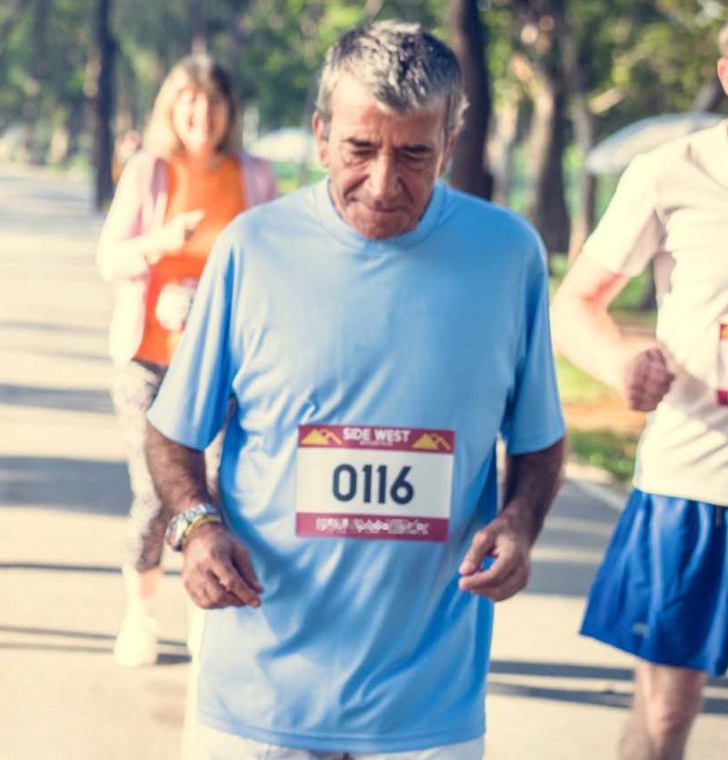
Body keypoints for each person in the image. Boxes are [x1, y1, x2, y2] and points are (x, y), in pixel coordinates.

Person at [145, 22, 567, 758]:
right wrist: (196, 527)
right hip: (257, 695)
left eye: (413, 155)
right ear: (319, 135)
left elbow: (537, 438)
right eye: (359, 150)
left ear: (452, 136)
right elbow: (174, 431)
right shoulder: (254, 248)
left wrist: (521, 523)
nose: (383, 183)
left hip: (427, 708)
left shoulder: (508, 257)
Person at [556, 3, 728, 757]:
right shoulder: (671, 172)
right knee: (661, 720)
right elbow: (576, 305)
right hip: (687, 489)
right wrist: (624, 363)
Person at [95, 54, 277, 668]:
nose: (202, 113)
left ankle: (208, 615)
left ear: (231, 113)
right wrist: (160, 247)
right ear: (173, 108)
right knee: (155, 492)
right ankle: (139, 616)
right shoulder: (151, 169)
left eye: (214, 102)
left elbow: (271, 264)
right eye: (190, 101)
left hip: (227, 364)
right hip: (148, 359)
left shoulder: (254, 176)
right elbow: (109, 258)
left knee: (222, 490)